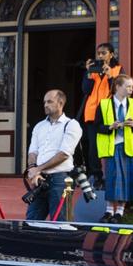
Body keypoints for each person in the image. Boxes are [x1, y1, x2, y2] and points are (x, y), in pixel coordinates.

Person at [24, 89, 83, 221]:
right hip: (40, 179)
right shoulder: (39, 126)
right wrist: (33, 169)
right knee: (31, 221)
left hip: (60, 179)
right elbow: (32, 151)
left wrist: (38, 169)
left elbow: (63, 154)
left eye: (49, 101)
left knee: (60, 223)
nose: (45, 105)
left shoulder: (71, 125)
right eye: (44, 102)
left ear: (60, 103)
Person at [95, 74, 133, 223]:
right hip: (111, 147)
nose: (131, 89)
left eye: (132, 86)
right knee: (112, 178)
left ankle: (120, 212)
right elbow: (97, 126)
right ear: (117, 87)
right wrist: (110, 127)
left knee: (126, 179)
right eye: (128, 86)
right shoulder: (103, 104)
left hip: (128, 147)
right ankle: (109, 211)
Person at [80, 43, 121, 187]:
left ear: (111, 54)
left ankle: (113, 176)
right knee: (92, 147)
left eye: (104, 53)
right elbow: (86, 90)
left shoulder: (118, 69)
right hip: (92, 112)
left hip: (108, 112)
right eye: (99, 53)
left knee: (111, 144)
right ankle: (96, 176)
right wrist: (88, 73)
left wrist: (110, 76)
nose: (100, 56)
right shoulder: (94, 71)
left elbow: (119, 91)